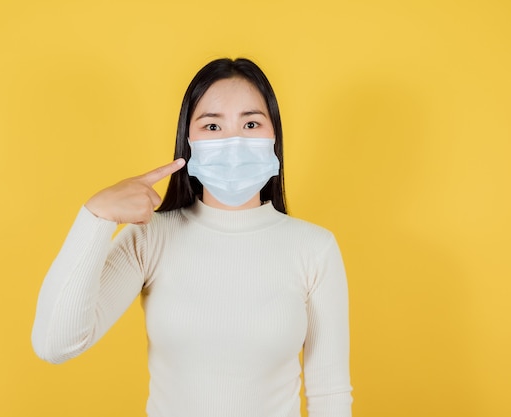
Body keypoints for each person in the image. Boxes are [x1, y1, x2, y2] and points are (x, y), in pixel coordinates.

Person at [31, 57, 353, 417]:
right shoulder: (150, 238)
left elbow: (330, 393)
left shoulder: (314, 248)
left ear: (274, 136)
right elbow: (54, 344)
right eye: (213, 127)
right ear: (189, 141)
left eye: (250, 123)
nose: (233, 141)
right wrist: (95, 217)